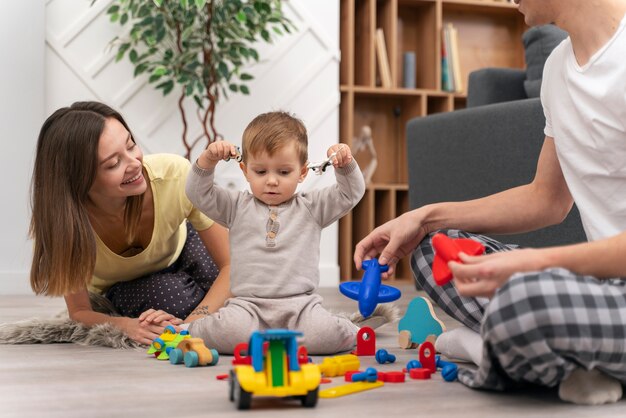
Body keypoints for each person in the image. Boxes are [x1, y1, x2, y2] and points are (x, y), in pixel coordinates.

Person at [354, 0, 626, 406]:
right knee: (436, 252)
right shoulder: (556, 70)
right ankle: (563, 357)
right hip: (601, 289)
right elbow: (546, 199)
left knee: (523, 302)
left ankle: (498, 350)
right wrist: (424, 218)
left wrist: (535, 265)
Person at [30, 101, 231, 345]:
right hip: (123, 286)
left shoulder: (174, 174)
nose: (135, 163)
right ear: (78, 181)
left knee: (224, 279)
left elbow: (231, 265)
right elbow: (80, 312)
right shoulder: (65, 223)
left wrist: (191, 326)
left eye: (131, 145)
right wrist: (126, 325)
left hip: (180, 246)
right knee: (172, 296)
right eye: (113, 163)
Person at [185, 111, 366, 354]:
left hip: (301, 307)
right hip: (247, 306)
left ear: (302, 173)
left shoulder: (312, 207)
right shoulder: (235, 206)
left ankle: (351, 330)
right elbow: (198, 193)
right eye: (261, 172)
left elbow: (350, 194)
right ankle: (189, 330)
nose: (271, 181)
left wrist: (345, 166)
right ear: (245, 170)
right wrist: (208, 160)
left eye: (283, 172)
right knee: (230, 331)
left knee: (324, 336)